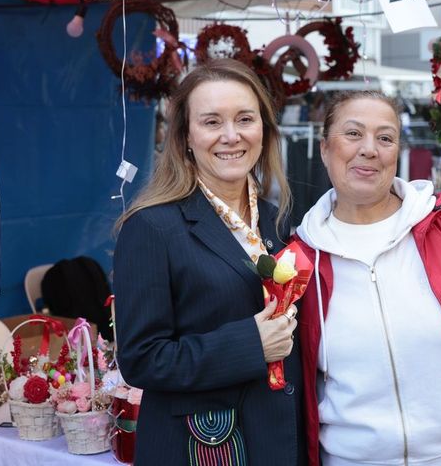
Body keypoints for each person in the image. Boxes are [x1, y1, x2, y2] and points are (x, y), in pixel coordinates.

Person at [113, 59, 305, 465]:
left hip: (279, 441)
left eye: (244, 119)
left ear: (264, 131)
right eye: (212, 122)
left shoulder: (278, 219)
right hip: (203, 446)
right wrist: (250, 344)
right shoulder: (152, 227)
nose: (231, 136)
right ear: (185, 136)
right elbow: (142, 359)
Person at [291, 90, 441, 466]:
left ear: (398, 152)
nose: (369, 149)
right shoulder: (299, 260)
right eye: (353, 134)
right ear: (324, 149)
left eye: (385, 138)